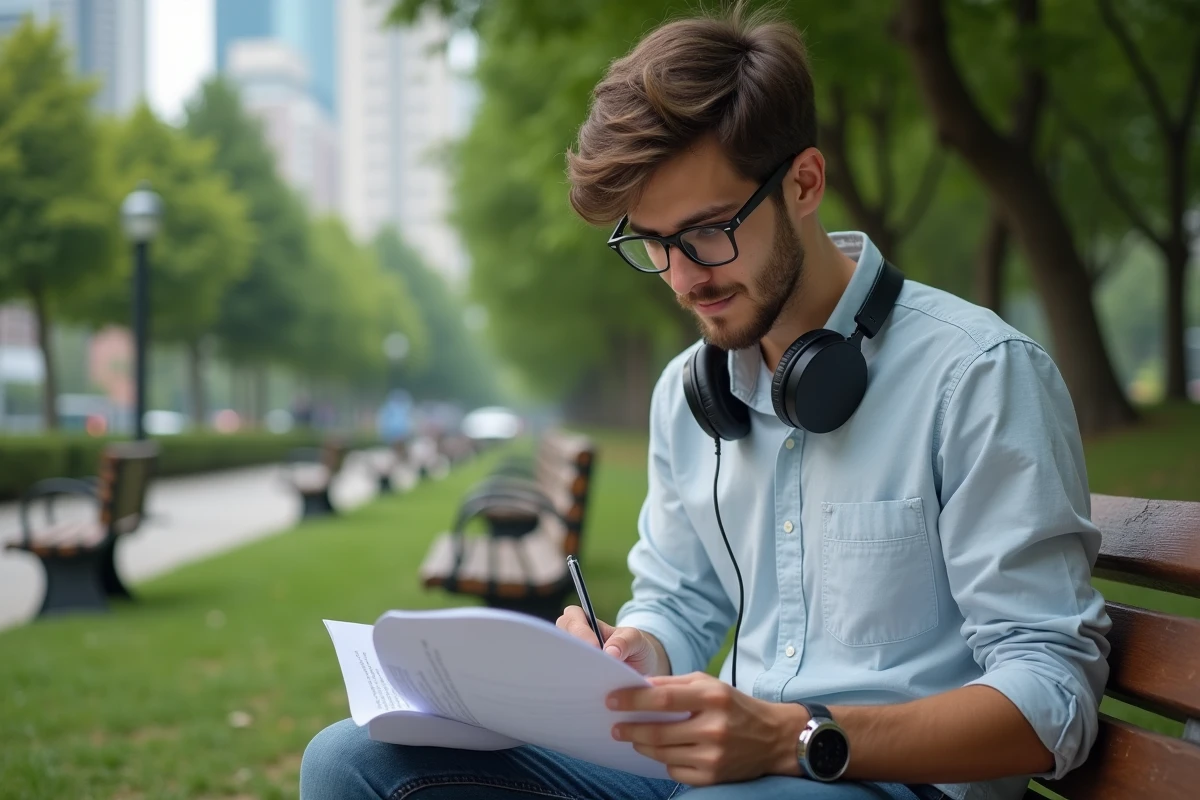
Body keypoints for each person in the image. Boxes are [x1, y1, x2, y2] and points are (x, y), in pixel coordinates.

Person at [299, 4, 1110, 799]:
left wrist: (793, 736)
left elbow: (1054, 698)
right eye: (652, 242)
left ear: (804, 182)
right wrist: (634, 654)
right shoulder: (692, 392)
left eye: (708, 230)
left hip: (887, 779)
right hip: (719, 769)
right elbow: (680, 599)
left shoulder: (977, 374)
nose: (684, 276)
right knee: (352, 763)